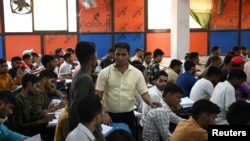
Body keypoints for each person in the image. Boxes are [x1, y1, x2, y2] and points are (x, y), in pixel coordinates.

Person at [95, 42, 161, 136]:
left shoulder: (137, 73)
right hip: (109, 116)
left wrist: (151, 102)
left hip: (128, 115)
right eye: (117, 54)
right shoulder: (105, 73)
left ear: (129, 56)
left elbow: (144, 93)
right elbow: (98, 96)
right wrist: (104, 112)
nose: (120, 57)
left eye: (123, 54)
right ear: (114, 55)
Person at [68, 41, 99, 133]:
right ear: (93, 58)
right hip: (82, 131)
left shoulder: (80, 75)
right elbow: (76, 108)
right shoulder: (85, 78)